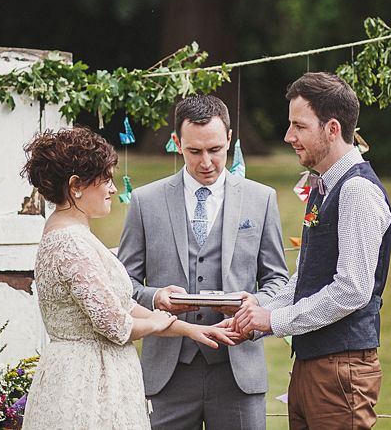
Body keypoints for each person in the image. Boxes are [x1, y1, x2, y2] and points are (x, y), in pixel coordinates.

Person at [20, 127, 234, 430]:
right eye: (105, 179)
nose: (111, 189)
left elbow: (121, 305)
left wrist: (188, 329)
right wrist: (159, 321)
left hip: (100, 373)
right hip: (86, 383)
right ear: (76, 186)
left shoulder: (77, 235)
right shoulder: (70, 242)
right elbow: (117, 325)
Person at [117, 94, 288, 430]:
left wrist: (254, 305)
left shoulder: (261, 199)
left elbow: (278, 281)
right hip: (168, 373)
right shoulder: (144, 201)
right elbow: (123, 284)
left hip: (238, 372)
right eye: (194, 151)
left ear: (229, 138)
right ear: (177, 143)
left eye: (215, 150)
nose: (206, 162)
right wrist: (155, 298)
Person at [234, 72, 391, 429]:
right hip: (315, 366)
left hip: (342, 370)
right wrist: (260, 310)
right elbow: (308, 277)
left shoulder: (356, 192)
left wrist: (275, 321)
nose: (288, 137)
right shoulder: (324, 186)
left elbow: (352, 289)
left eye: (299, 126)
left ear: (332, 128)